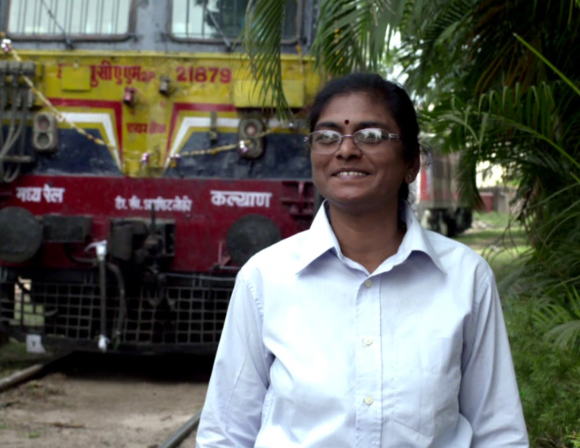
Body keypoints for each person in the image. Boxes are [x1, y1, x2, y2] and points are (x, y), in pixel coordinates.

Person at [195, 73, 528, 448]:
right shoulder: (266, 278)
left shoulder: (465, 278)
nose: (346, 150)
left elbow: (499, 433)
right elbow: (226, 434)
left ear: (411, 163)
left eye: (371, 136)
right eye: (327, 135)